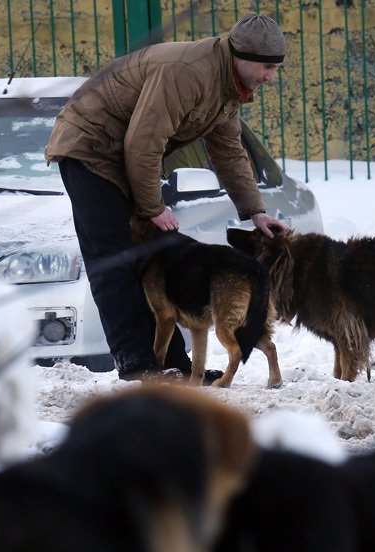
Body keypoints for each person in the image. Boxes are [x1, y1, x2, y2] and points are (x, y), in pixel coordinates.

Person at [45, 12, 292, 381]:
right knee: (113, 259)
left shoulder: (227, 87)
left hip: (125, 155)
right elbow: (144, 141)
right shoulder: (188, 72)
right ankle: (138, 364)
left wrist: (255, 211)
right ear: (241, 55)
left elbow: (228, 151)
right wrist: (152, 208)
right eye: (266, 68)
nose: (270, 78)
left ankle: (173, 365)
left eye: (274, 69)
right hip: (90, 148)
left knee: (157, 258)